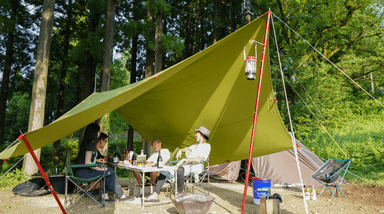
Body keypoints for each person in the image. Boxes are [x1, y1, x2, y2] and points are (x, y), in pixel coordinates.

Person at [145, 126, 211, 202]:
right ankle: (155, 194)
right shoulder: (195, 145)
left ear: (202, 135)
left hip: (195, 166)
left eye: (197, 133)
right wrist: (181, 150)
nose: (195, 135)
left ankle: (180, 193)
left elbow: (199, 160)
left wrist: (183, 159)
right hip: (186, 166)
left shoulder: (206, 146)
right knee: (164, 169)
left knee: (180, 169)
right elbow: (187, 148)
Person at [75, 123, 132, 203]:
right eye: (98, 131)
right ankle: (121, 196)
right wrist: (98, 169)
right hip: (83, 173)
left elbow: (86, 159)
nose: (99, 133)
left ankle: (105, 196)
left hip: (81, 171)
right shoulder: (90, 144)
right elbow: (87, 162)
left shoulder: (88, 143)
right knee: (110, 172)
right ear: (94, 132)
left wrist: (97, 161)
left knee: (108, 171)